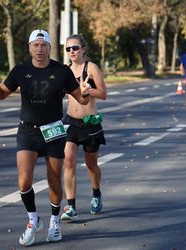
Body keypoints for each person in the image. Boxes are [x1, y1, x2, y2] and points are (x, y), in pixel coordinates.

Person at [0, 29, 90, 246]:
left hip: (53, 131)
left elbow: (82, 99)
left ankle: (54, 222)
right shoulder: (21, 70)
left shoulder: (61, 71)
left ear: (50, 48)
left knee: (54, 180)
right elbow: (1, 95)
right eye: (36, 45)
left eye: (44, 45)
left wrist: (86, 91)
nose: (40, 49)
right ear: (30, 47)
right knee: (24, 181)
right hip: (28, 131)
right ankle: (33, 220)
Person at [60, 34, 107, 221]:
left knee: (91, 164)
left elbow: (103, 94)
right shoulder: (66, 71)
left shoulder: (92, 68)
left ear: (84, 49)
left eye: (75, 48)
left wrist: (88, 90)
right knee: (68, 161)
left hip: (90, 123)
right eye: (68, 49)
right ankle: (71, 207)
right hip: (70, 122)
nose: (71, 51)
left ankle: (96, 194)